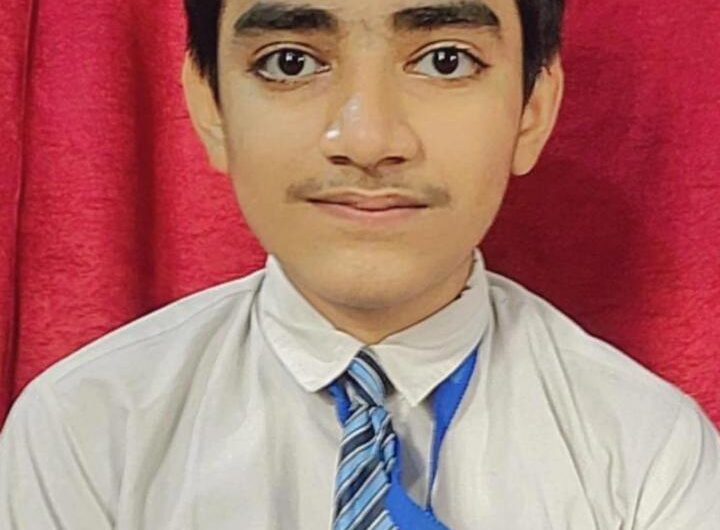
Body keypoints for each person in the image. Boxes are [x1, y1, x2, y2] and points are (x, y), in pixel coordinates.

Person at [1, 0, 719, 528]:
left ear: (533, 107)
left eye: (445, 59)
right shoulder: (83, 430)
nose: (368, 140)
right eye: (289, 61)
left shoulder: (650, 453)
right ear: (210, 107)